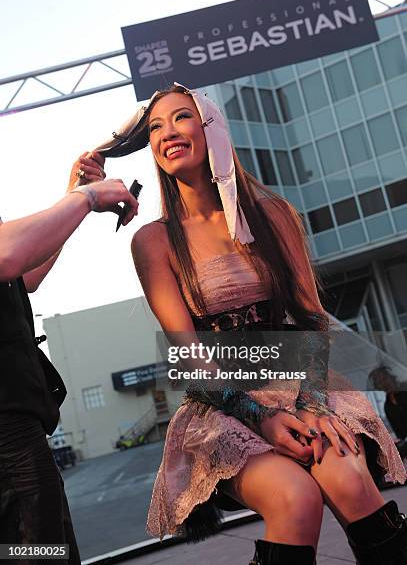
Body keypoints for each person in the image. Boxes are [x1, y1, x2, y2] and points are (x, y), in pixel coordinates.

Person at [101, 83, 407, 565]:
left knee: (347, 478)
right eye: (155, 126)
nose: (166, 133)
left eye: (180, 118)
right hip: (222, 404)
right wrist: (259, 417)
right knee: (296, 499)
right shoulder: (153, 241)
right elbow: (188, 353)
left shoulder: (273, 214)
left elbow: (309, 316)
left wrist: (312, 404)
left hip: (302, 383)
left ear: (210, 128)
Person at [0, 152, 138, 564]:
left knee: (47, 549)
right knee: (36, 554)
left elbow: (26, 274)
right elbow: (8, 256)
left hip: (19, 433)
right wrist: (84, 198)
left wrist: (72, 196)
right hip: (6, 438)